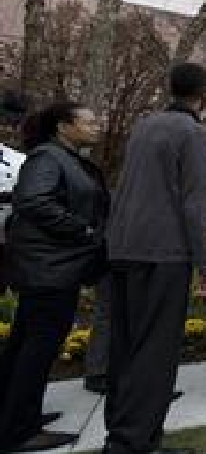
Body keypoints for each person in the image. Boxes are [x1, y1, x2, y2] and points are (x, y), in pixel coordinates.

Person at [102, 63, 206, 454]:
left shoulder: (144, 126)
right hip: (163, 253)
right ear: (203, 93)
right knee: (156, 350)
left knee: (127, 345)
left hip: (123, 247)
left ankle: (124, 431)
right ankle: (133, 442)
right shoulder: (194, 134)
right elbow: (196, 203)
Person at [0, 102, 107, 453]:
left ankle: (16, 415)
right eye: (88, 121)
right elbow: (34, 202)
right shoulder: (48, 158)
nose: (97, 125)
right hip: (49, 270)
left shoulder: (65, 158)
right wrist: (85, 230)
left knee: (25, 345)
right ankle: (19, 430)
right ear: (64, 126)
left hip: (53, 267)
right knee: (38, 348)